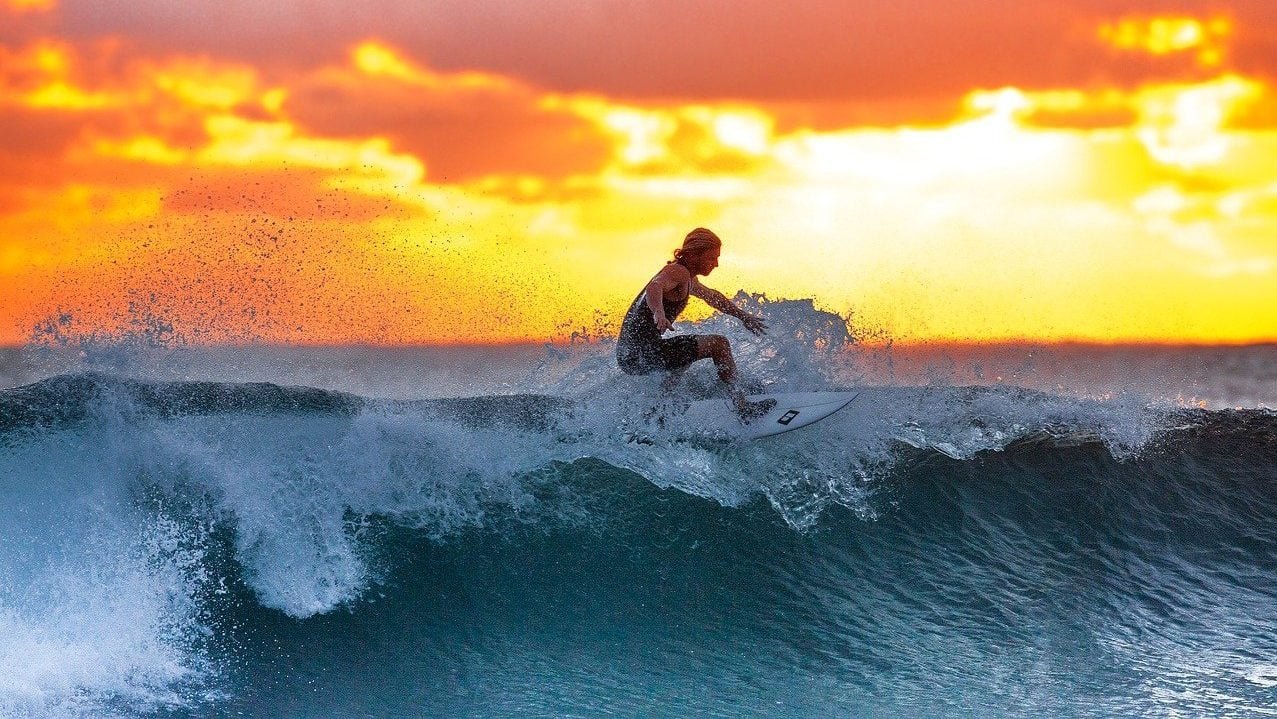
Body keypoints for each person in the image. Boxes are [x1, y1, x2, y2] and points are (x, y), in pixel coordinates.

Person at [616, 227, 776, 421]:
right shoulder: (677, 272)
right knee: (719, 344)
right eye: (711, 258)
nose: (715, 264)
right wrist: (659, 312)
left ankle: (656, 414)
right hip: (640, 353)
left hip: (631, 355)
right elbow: (654, 286)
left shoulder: (688, 278)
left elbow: (713, 297)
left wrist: (743, 316)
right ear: (694, 254)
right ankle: (742, 407)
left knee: (685, 356)